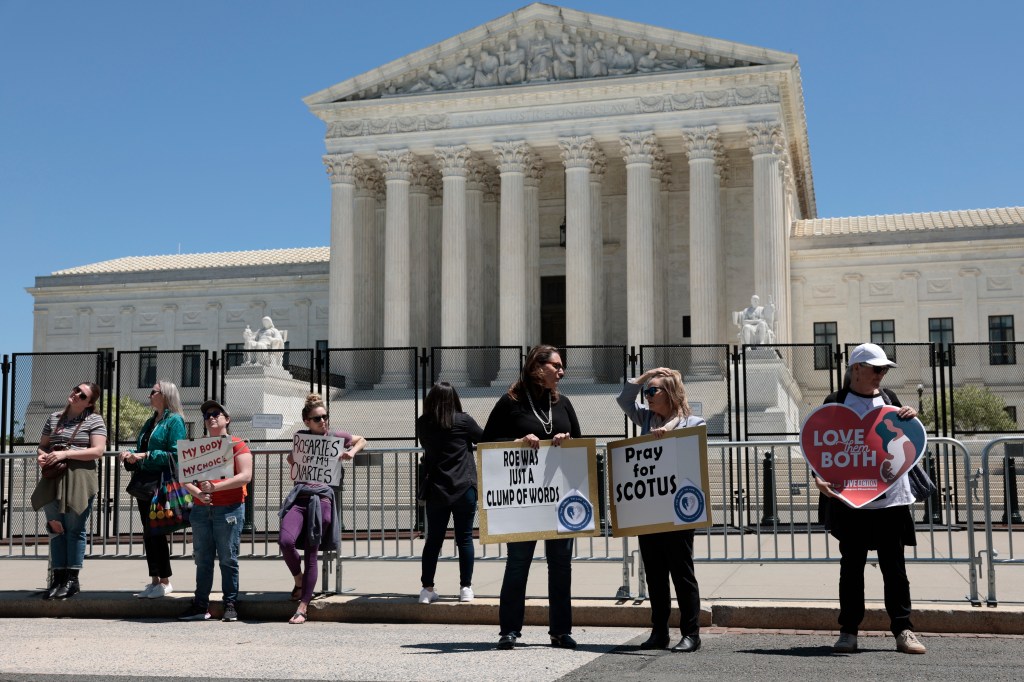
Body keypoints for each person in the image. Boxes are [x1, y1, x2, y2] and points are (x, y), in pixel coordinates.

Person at [813, 343, 927, 655]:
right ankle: (848, 631)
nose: (882, 374)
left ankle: (903, 629)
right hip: (851, 502)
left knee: (895, 567)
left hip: (891, 500)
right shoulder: (835, 403)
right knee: (851, 568)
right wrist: (818, 479)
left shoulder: (890, 400)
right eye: (877, 369)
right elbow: (820, 448)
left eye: (884, 369)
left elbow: (907, 441)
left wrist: (911, 420)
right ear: (857, 369)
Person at [482, 344, 582, 650]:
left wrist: (566, 440)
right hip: (523, 501)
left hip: (558, 499)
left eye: (561, 365)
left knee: (561, 565)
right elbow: (487, 441)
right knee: (518, 563)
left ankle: (561, 631)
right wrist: (516, 441)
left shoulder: (562, 403)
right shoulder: (511, 402)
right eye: (556, 366)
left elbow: (580, 440)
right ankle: (509, 629)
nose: (561, 371)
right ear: (537, 368)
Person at [615, 367, 705, 653]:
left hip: (678, 510)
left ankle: (691, 632)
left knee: (681, 572)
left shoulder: (693, 421)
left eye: (653, 390)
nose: (648, 396)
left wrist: (668, 431)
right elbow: (624, 402)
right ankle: (659, 631)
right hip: (649, 510)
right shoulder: (644, 419)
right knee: (654, 573)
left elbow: (692, 453)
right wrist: (645, 376)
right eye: (647, 391)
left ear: (670, 393)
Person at [279, 394, 366, 624]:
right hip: (300, 497)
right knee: (285, 541)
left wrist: (351, 453)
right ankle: (299, 580)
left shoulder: (336, 436)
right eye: (317, 418)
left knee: (311, 553)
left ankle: (303, 606)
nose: (323, 421)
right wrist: (292, 458)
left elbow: (361, 439)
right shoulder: (302, 438)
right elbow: (294, 459)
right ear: (307, 421)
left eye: (325, 417)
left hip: (322, 499)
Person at [31, 382, 107, 600]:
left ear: (89, 403)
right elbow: (43, 445)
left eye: (82, 395)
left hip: (80, 479)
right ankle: (58, 577)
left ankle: (72, 580)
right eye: (76, 389)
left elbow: (98, 450)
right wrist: (42, 455)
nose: (76, 394)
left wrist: (66, 454)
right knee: (56, 528)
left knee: (75, 528)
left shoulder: (94, 419)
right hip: (53, 479)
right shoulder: (54, 418)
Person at [178, 400, 253, 623]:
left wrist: (216, 487)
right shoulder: (199, 446)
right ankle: (201, 604)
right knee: (203, 558)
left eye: (216, 414)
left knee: (228, 558)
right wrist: (198, 493)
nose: (211, 417)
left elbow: (245, 476)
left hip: (229, 508)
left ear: (226, 419)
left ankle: (230, 603)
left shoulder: (238, 444)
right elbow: (185, 478)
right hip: (202, 509)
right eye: (207, 415)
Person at [416, 382, 483, 605]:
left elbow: (426, 445)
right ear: (453, 398)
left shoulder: (423, 423)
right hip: (464, 486)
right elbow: (483, 439)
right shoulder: (463, 421)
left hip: (437, 488)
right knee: (464, 539)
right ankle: (466, 588)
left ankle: (427, 589)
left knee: (433, 540)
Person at [119, 380, 187, 599]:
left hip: (160, 483)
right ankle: (155, 580)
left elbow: (175, 454)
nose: (149, 395)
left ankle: (165, 581)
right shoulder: (151, 421)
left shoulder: (174, 420)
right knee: (149, 534)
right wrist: (131, 454)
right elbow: (142, 448)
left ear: (164, 395)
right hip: (145, 483)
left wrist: (146, 456)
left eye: (153, 392)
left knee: (155, 531)